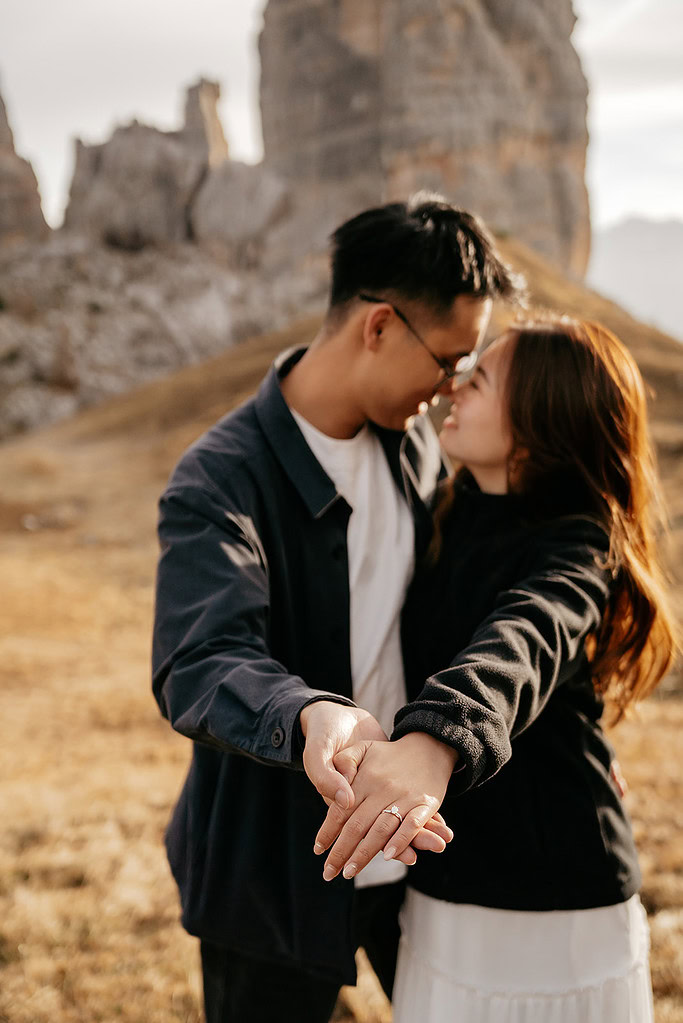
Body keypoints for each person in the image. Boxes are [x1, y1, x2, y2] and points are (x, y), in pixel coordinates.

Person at [151, 193, 520, 1021]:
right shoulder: (219, 476)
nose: (450, 387)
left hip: (417, 849)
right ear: (379, 325)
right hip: (270, 874)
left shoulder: (417, 444)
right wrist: (307, 711)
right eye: (447, 360)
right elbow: (199, 657)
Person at [314, 317, 678, 1021]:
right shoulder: (446, 513)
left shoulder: (578, 542)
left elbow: (525, 638)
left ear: (538, 423)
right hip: (443, 888)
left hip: (553, 905)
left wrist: (436, 738)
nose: (454, 387)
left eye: (478, 381)